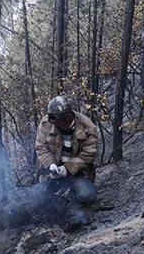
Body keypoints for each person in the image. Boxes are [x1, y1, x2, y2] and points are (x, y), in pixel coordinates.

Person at [35, 95, 98, 229]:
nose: (55, 123)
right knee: (40, 196)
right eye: (53, 118)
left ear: (67, 116)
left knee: (88, 195)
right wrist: (51, 165)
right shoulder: (46, 124)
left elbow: (89, 154)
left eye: (58, 120)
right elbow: (41, 147)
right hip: (53, 171)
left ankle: (71, 196)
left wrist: (67, 168)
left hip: (77, 172)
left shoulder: (87, 126)